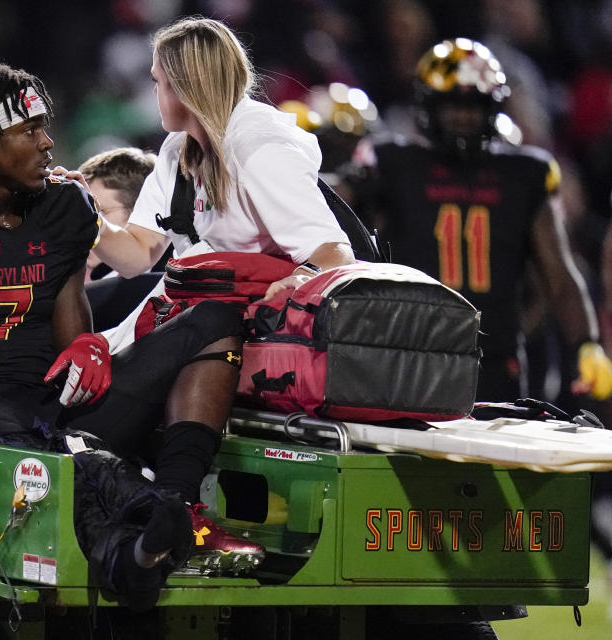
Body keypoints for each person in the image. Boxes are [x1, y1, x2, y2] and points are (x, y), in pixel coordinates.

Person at [0, 63, 255, 610]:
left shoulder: (64, 202)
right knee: (63, 463)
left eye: (45, 127)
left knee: (215, 319)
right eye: (30, 131)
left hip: (55, 404)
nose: (49, 143)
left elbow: (74, 331)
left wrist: (89, 346)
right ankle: (135, 553)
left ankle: (176, 503)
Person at [342, 37, 612, 403]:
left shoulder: (523, 174)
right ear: (428, 104)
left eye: (473, 105)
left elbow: (559, 273)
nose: (463, 116)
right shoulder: (394, 163)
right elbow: (335, 208)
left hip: (493, 359)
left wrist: (586, 343)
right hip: (407, 351)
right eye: (452, 105)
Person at [89, 17, 355, 315]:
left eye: (158, 81)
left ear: (186, 87)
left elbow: (335, 251)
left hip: (250, 316)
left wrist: (303, 277)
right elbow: (138, 255)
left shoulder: (261, 151)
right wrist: (85, 215)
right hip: (199, 305)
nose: (153, 92)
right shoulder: (177, 148)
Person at [76, 147, 170, 331]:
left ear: (140, 214)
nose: (86, 224)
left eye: (101, 212)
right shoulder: (72, 277)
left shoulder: (169, 285)